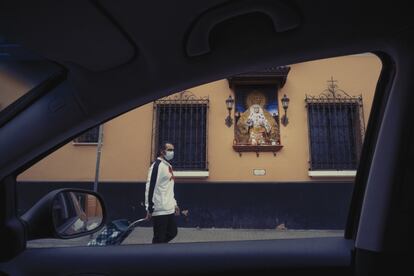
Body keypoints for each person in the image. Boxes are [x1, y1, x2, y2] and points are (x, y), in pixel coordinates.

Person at [145, 142, 180, 243]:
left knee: (173, 232)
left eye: (173, 150)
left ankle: (158, 251)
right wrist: (149, 208)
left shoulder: (167, 166)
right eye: (169, 150)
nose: (172, 152)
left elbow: (169, 188)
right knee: (159, 238)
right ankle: (155, 255)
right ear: (162, 151)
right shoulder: (157, 166)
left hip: (169, 209)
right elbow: (150, 187)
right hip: (159, 209)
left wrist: (174, 204)